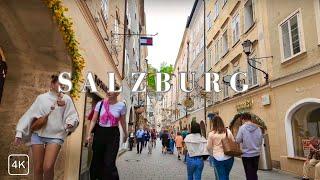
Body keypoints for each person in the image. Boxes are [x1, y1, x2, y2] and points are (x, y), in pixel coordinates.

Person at [14, 75, 79, 180]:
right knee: (38, 168)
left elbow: (72, 115)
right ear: (52, 84)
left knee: (48, 167)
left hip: (56, 135)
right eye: (60, 83)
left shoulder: (66, 99)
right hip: (38, 135)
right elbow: (30, 113)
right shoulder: (41, 98)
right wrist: (19, 131)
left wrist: (70, 123)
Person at [86, 85, 127, 180]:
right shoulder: (100, 104)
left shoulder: (121, 106)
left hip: (113, 134)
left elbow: (122, 122)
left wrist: (125, 134)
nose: (108, 91)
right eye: (108, 89)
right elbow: (93, 120)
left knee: (109, 163)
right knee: (96, 160)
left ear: (117, 93)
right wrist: (88, 134)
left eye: (112, 90)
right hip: (100, 132)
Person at [236, 113, 263, 180]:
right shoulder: (258, 128)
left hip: (246, 154)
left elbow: (238, 140)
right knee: (254, 172)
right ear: (250, 119)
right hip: (256, 154)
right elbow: (260, 140)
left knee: (249, 173)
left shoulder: (242, 128)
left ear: (243, 119)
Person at [207, 115, 234, 180]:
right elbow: (233, 141)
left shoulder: (211, 134)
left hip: (218, 158)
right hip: (229, 157)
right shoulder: (228, 131)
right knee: (226, 175)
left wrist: (211, 154)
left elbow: (209, 147)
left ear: (213, 123)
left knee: (222, 176)